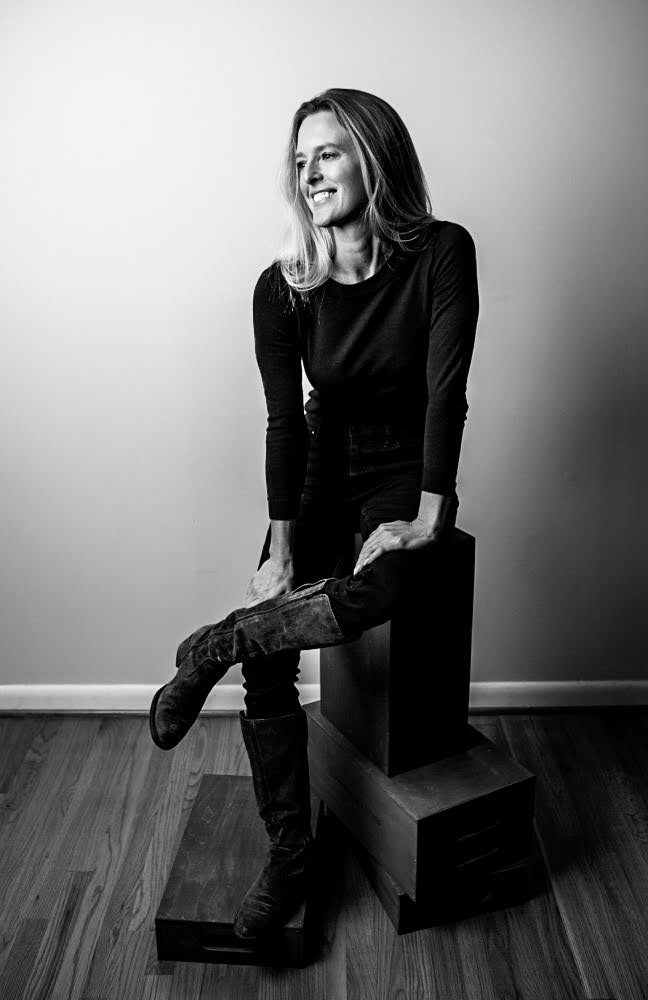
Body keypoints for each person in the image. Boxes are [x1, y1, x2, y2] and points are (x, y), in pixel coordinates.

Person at [149, 87, 479, 942]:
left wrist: (430, 515)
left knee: (384, 589)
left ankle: (214, 644)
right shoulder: (283, 286)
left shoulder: (444, 254)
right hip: (324, 470)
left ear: (373, 155)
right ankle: (290, 852)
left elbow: (447, 391)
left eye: (326, 154)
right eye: (299, 163)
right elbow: (283, 420)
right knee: (275, 648)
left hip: (405, 474)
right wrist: (282, 545)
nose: (309, 173)